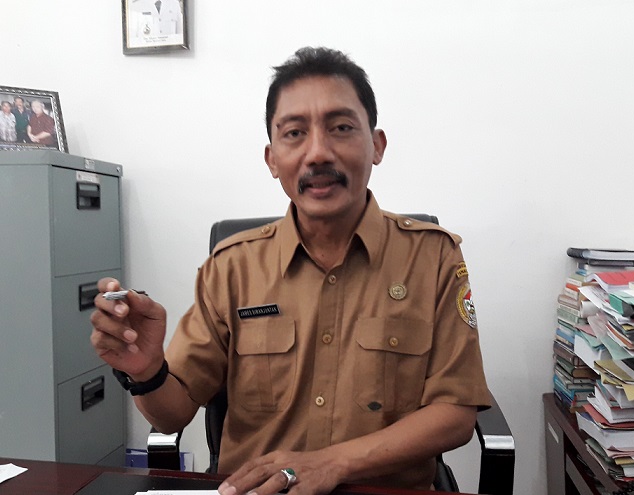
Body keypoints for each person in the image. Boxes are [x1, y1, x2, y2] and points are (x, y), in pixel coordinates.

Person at [90, 47, 490, 495]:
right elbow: (173, 414)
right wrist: (147, 371)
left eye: (341, 128)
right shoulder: (232, 267)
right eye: (295, 133)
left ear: (377, 145)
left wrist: (330, 464)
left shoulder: (432, 258)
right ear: (272, 159)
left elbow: (455, 413)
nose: (317, 153)